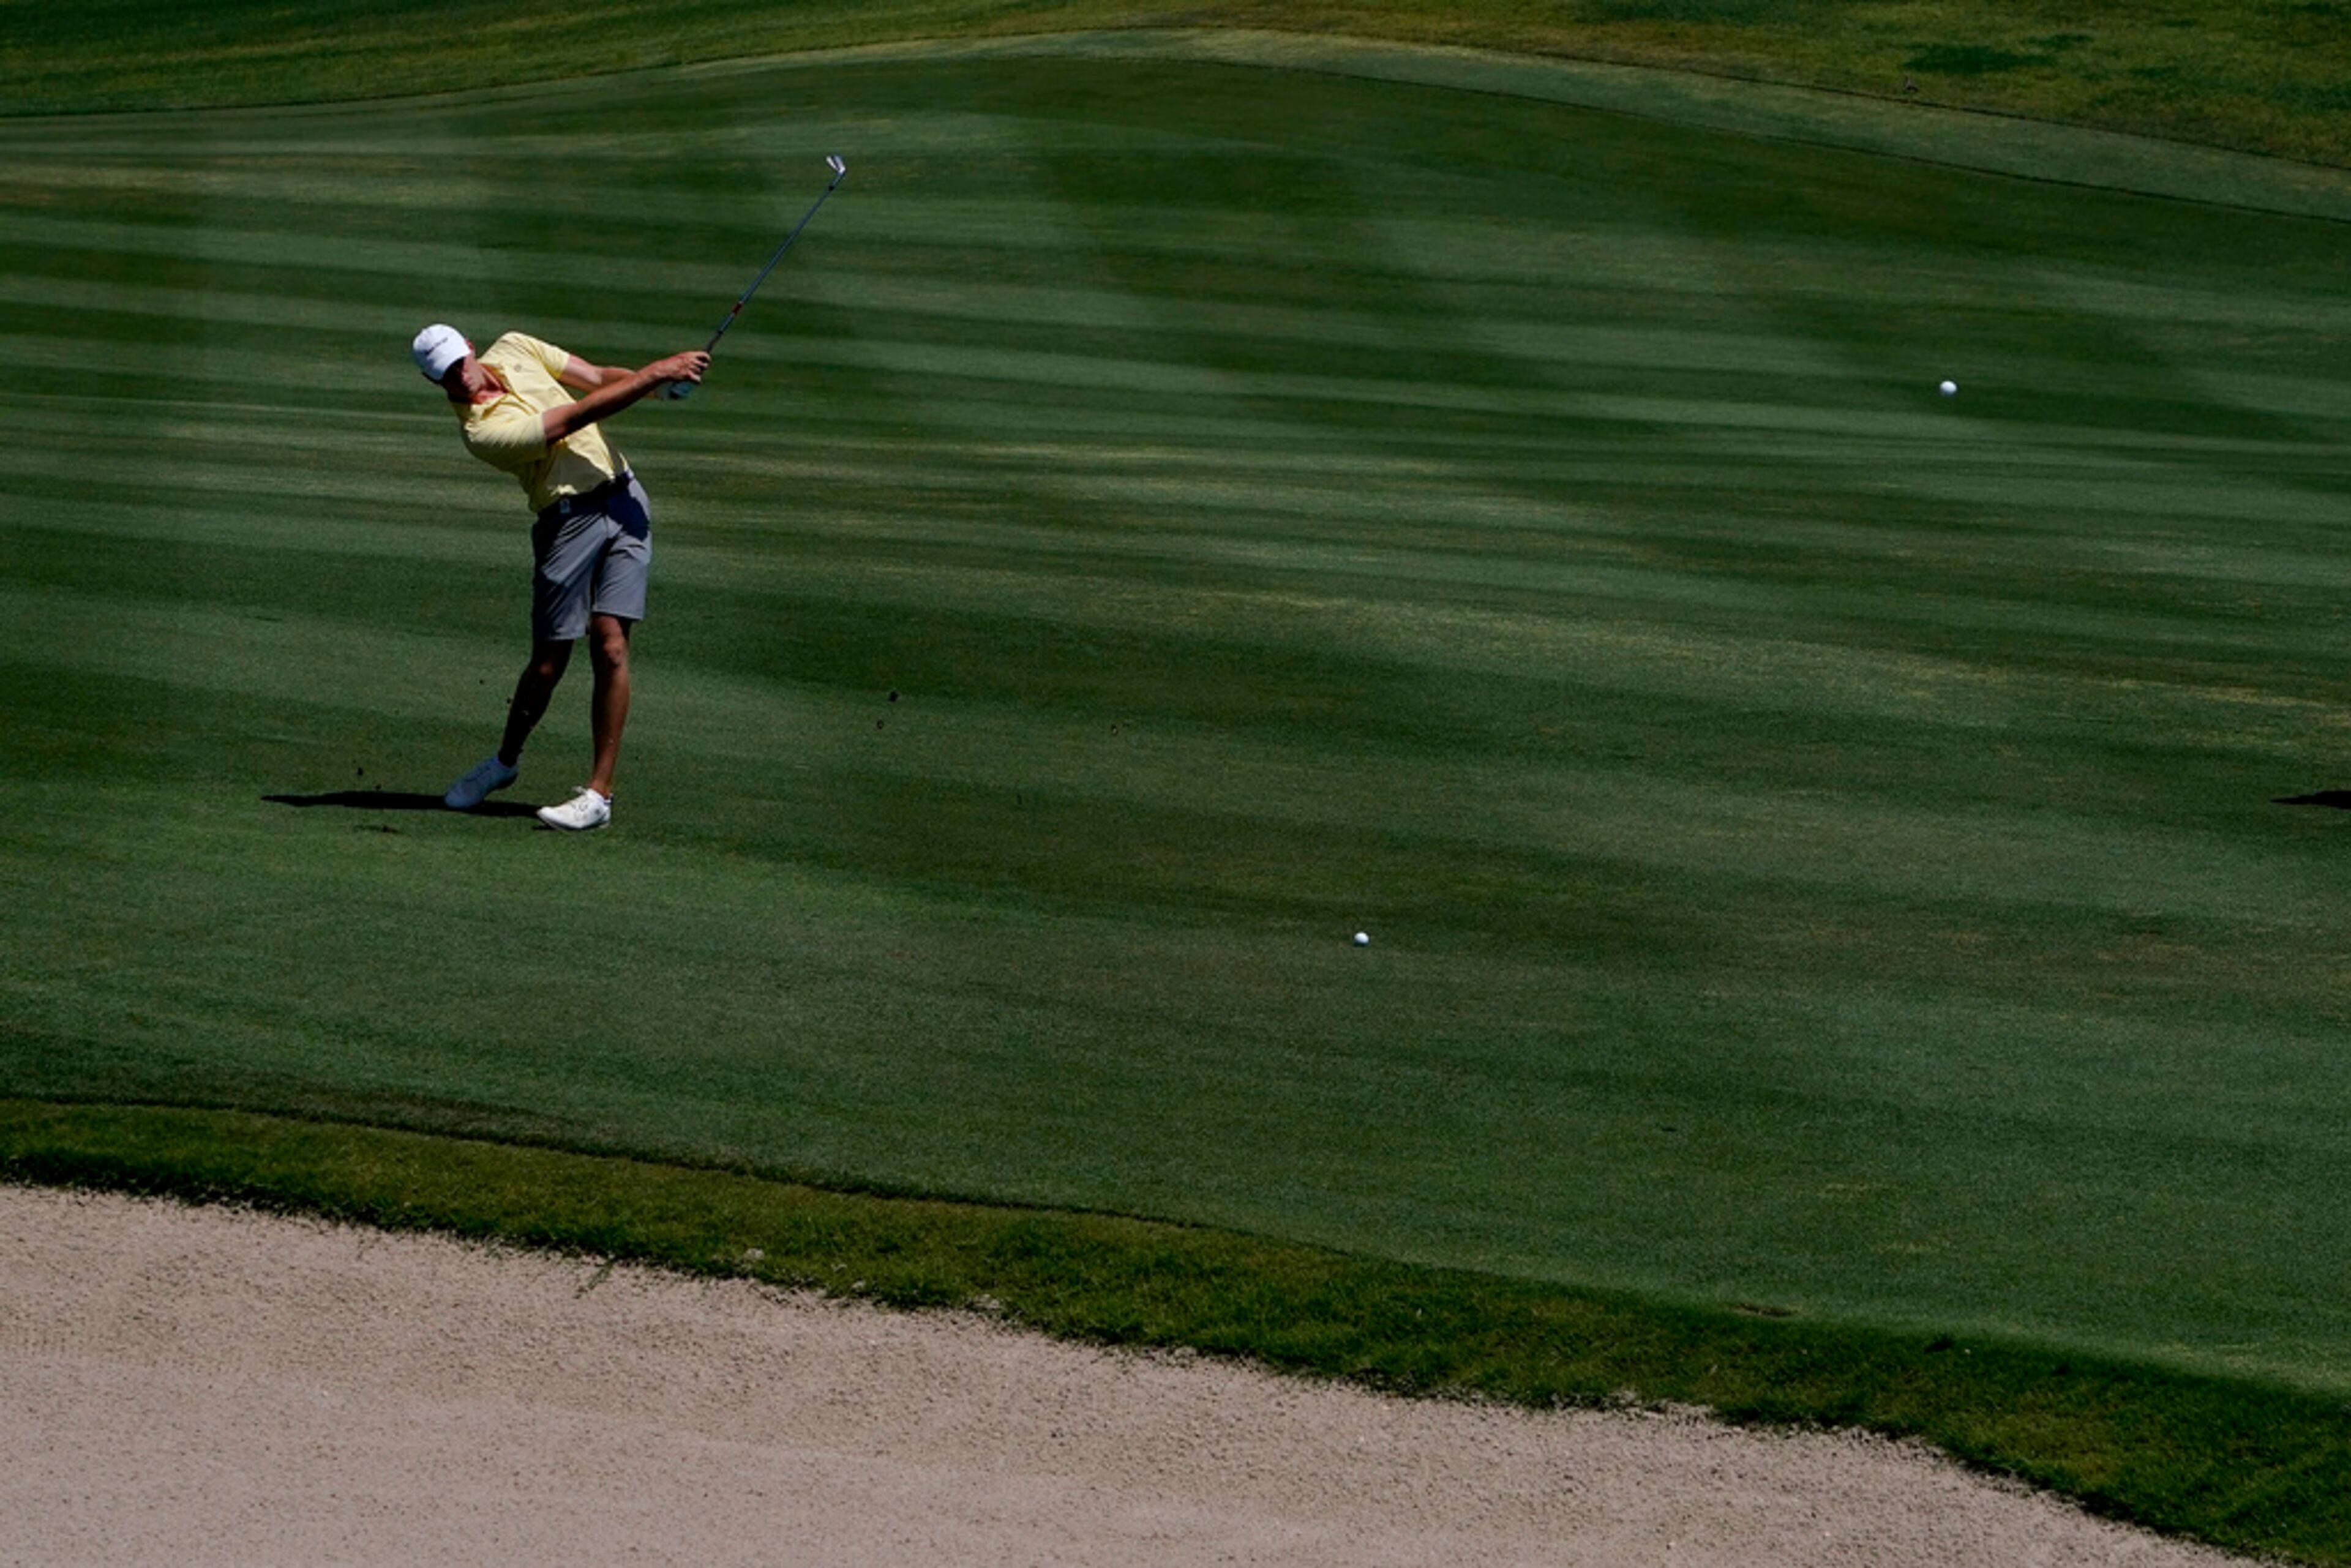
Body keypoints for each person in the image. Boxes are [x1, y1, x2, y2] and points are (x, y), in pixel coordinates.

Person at [412, 324, 708, 830]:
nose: (459, 380)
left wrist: (656, 384)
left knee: (612, 646)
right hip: (567, 524)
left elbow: (595, 379)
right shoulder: (480, 433)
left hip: (626, 500)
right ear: (433, 382)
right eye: (444, 377)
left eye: (459, 365)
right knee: (548, 664)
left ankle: (599, 795)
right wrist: (659, 370)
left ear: (471, 349)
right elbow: (577, 414)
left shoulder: (516, 346)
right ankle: (505, 761)